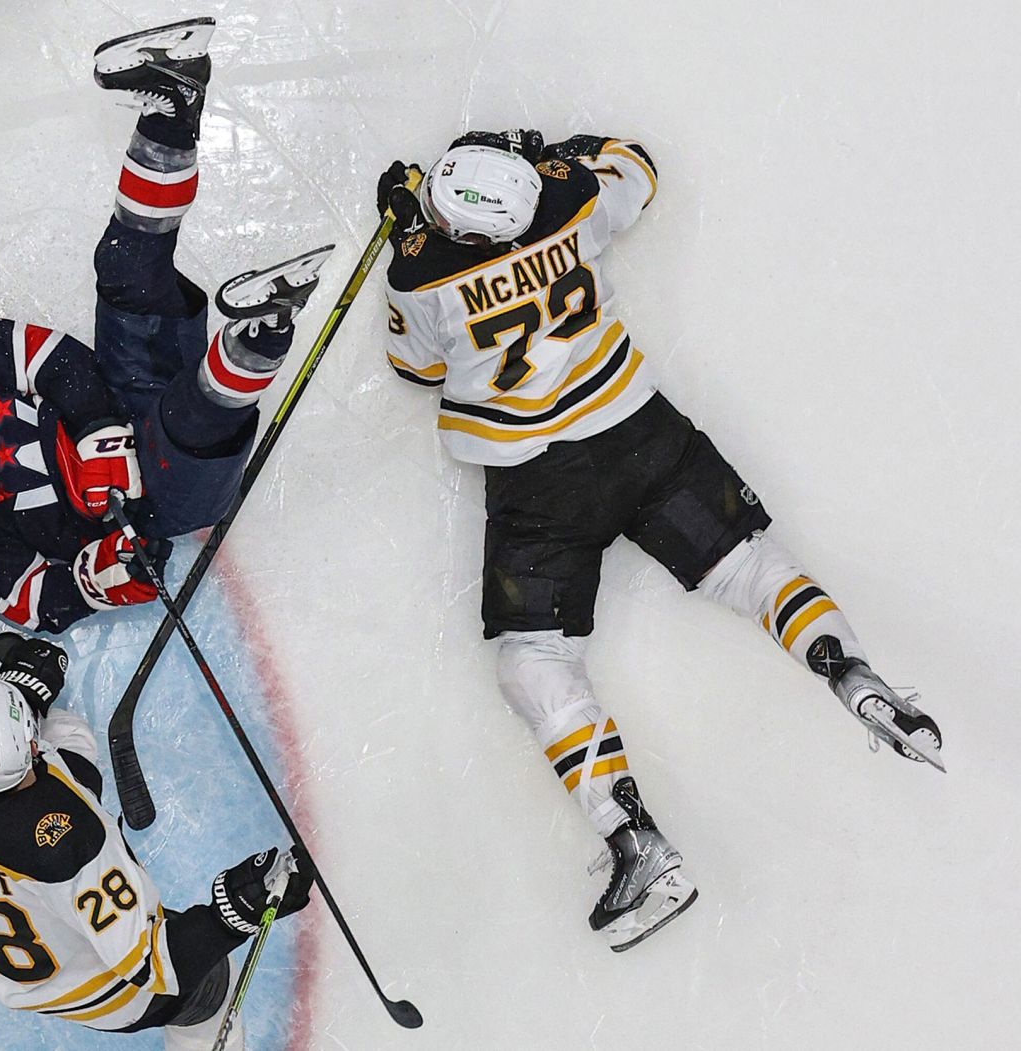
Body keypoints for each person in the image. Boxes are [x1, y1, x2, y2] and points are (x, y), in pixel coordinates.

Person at [375, 129, 944, 951]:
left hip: (541, 485)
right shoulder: (566, 198)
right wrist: (563, 150)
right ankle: (849, 667)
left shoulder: (421, 272)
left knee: (533, 658)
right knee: (750, 567)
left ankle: (633, 836)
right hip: (643, 433)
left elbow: (415, 367)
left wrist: (408, 232)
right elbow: (637, 169)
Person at [0, 16, 333, 634]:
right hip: (149, 501)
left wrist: (98, 425)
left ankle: (174, 103)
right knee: (188, 422)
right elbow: (29, 601)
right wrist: (97, 578)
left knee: (123, 266)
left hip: (120, 393)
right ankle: (266, 327)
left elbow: (48, 355)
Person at [0, 629, 313, 1050]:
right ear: (30, 743)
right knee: (213, 985)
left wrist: (19, 695)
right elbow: (156, 966)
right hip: (105, 993)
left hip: (17, 965)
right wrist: (230, 915)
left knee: (69, 734)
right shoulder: (75, 847)